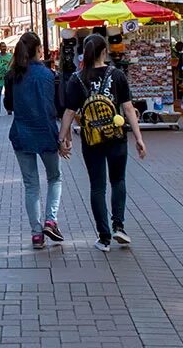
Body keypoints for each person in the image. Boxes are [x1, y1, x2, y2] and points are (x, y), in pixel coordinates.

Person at [60, 33, 146, 252]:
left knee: (97, 186)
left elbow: (69, 112)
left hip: (92, 140)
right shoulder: (116, 75)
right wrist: (138, 138)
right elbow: (128, 108)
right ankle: (119, 226)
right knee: (118, 180)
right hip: (116, 136)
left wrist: (62, 139)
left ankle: (104, 237)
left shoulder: (77, 78)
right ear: (105, 52)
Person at [3, 32, 64, 249]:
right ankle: (50, 219)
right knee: (54, 177)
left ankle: (36, 233)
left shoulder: (12, 75)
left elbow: (8, 105)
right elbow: (54, 108)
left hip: (21, 134)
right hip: (45, 133)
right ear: (39, 49)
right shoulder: (48, 74)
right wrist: (61, 138)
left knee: (31, 185)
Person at [0, 41, 12, 117]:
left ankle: (9, 109)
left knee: (8, 94)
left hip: (8, 78)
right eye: (2, 46)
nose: (4, 48)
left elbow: (12, 66)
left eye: (5, 46)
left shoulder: (10, 56)